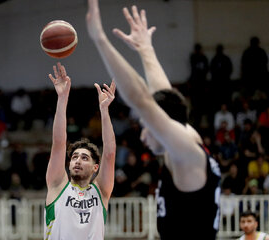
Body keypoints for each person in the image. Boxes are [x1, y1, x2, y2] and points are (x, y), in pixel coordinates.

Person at [86, 1, 221, 239]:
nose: (143, 135)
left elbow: (144, 101)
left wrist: (100, 40)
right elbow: (164, 98)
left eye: (147, 126)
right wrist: (146, 49)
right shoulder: (187, 135)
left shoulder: (185, 155)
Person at [44, 62, 116, 240]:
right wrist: (62, 98)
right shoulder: (57, 185)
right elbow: (59, 143)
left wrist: (104, 111)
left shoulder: (101, 191)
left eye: (84, 158)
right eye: (75, 157)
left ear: (95, 167)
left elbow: (109, 153)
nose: (77, 160)